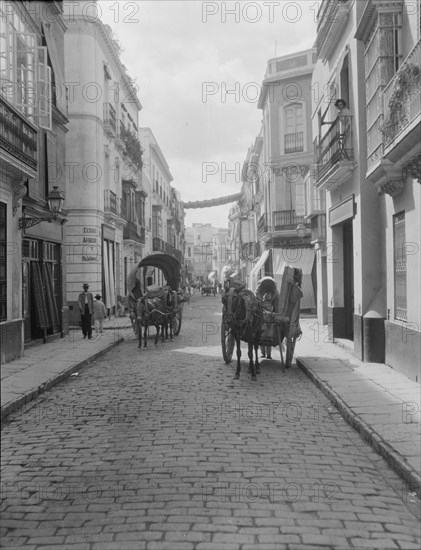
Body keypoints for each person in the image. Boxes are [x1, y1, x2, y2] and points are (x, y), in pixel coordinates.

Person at [260, 293, 273, 359]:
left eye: (267, 301)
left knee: (264, 340)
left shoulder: (269, 306)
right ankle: (267, 354)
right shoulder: (270, 306)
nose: (266, 302)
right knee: (267, 340)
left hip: (266, 325)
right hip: (267, 325)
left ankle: (265, 354)